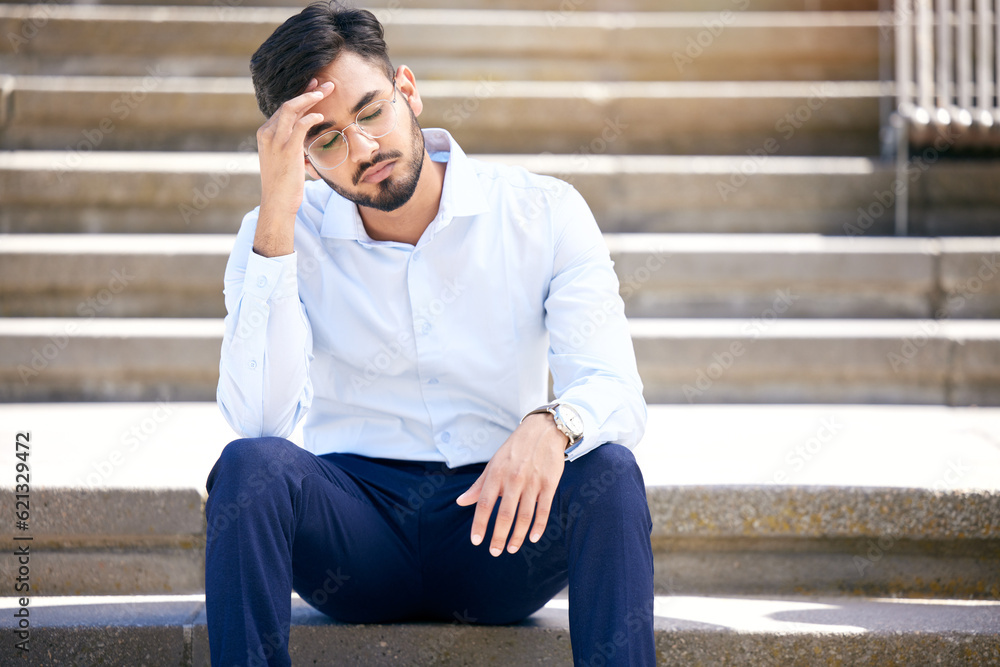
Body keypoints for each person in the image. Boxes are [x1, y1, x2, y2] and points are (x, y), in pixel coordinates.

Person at [206, 2, 654, 665]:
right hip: (354, 534)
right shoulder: (275, 230)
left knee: (611, 470)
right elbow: (258, 419)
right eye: (326, 139)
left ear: (408, 91)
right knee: (246, 468)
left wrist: (554, 424)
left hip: (500, 523)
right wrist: (277, 216)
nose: (362, 148)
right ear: (298, 156)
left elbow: (615, 385)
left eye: (370, 111)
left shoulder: (542, 212)